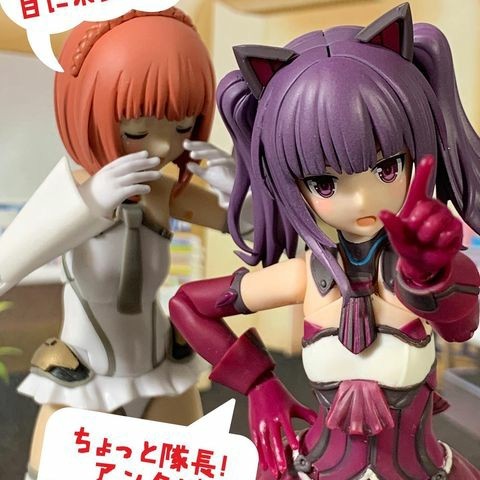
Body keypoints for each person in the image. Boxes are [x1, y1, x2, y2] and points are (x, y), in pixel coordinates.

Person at [169, 3, 480, 479]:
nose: (362, 201)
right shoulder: (305, 278)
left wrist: (432, 272)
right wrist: (259, 385)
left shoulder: (417, 275)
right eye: (324, 183)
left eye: (387, 168)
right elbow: (188, 305)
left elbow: (459, 323)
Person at [0, 8, 235, 480]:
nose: (163, 148)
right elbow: (7, 265)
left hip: (160, 368)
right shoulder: (69, 192)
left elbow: (252, 233)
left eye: (183, 127)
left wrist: (238, 191)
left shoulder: (163, 191)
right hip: (83, 378)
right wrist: (89, 202)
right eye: (137, 132)